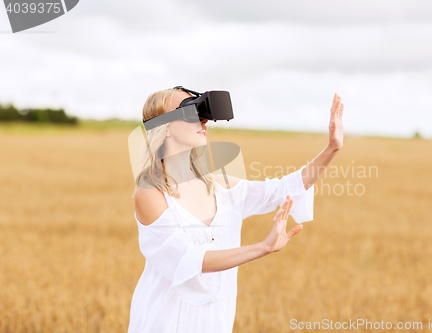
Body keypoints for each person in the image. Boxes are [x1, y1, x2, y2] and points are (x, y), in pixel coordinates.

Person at [127, 87, 344, 333]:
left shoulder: (221, 186)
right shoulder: (151, 194)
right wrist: (262, 248)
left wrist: (331, 149)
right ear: (164, 127)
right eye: (191, 110)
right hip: (164, 323)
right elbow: (189, 261)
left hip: (214, 323)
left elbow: (283, 189)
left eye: (202, 111)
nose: (204, 119)